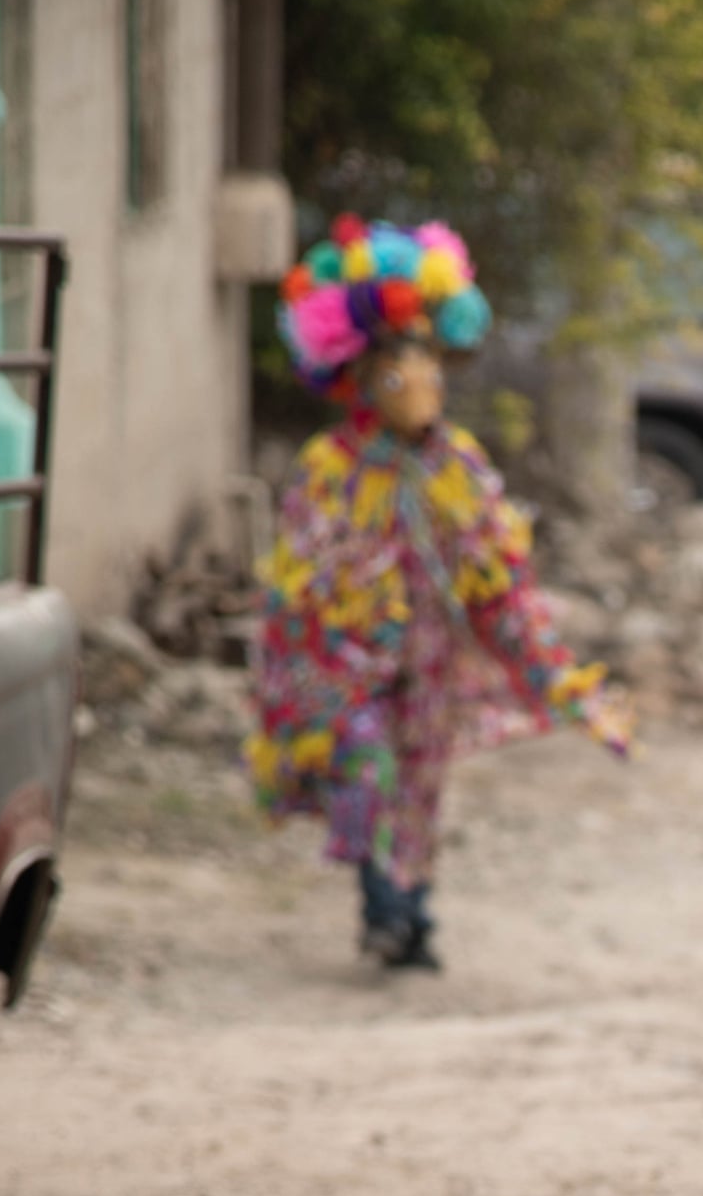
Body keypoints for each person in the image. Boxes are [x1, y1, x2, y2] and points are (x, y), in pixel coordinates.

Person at [247, 217, 630, 969]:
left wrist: (556, 678)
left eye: (425, 353)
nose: (415, 373)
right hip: (349, 665)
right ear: (358, 371)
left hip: (428, 662)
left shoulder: (457, 463)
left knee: (419, 785)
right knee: (367, 769)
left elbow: (500, 579)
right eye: (397, 356)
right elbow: (297, 581)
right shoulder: (330, 468)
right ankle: (385, 909)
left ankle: (408, 916)